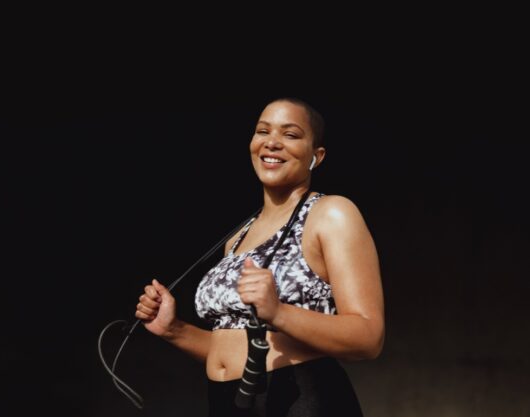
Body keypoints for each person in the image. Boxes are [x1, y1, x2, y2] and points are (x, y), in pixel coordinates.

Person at [134, 98, 384, 417]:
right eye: (263, 131)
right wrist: (175, 330)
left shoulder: (331, 213)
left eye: (290, 134)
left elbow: (368, 337)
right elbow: (237, 345)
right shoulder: (238, 237)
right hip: (228, 403)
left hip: (299, 400)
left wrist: (278, 312)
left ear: (316, 156)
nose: (272, 142)